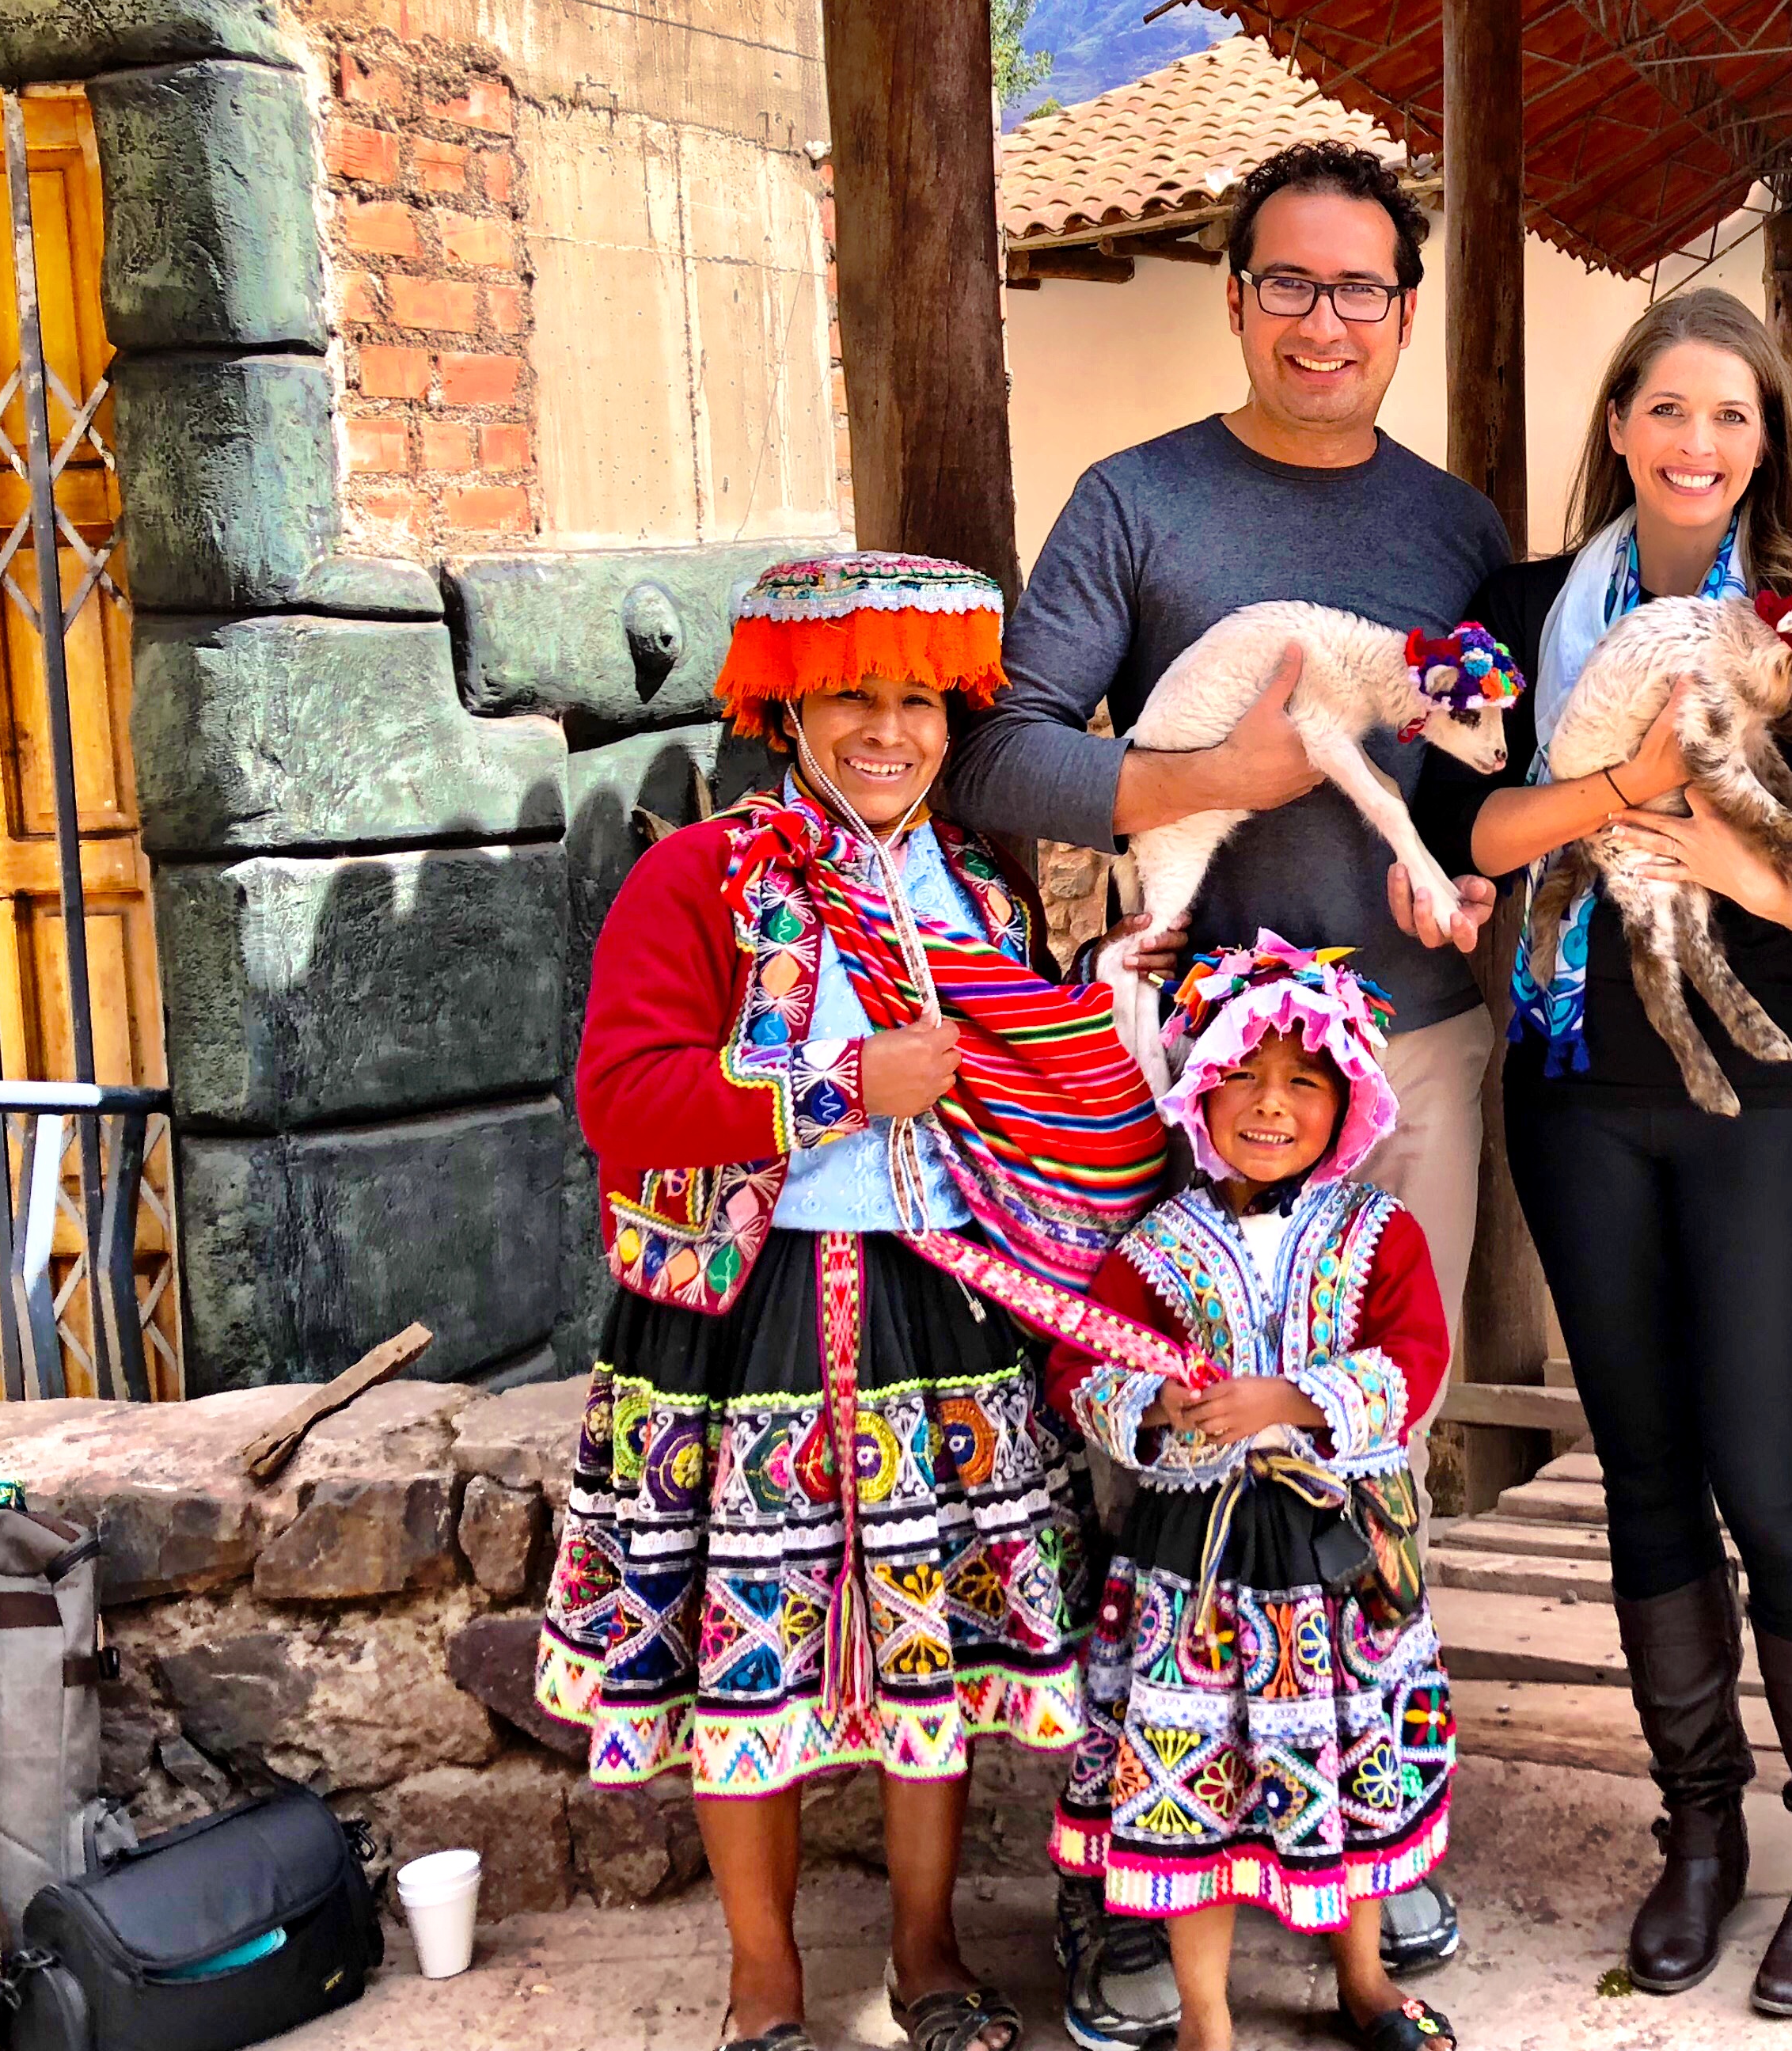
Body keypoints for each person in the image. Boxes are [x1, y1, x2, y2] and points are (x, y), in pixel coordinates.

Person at [944, 139, 1507, 2030]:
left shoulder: (1453, 525)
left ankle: (1380, 1840)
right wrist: (1206, 789)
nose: (1325, 320)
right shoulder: (1135, 502)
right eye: (1291, 283)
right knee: (1158, 1441)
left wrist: (1489, 851)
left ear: (1404, 316)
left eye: (1362, 291)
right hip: (1182, 1075)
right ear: (1238, 291)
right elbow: (1002, 760)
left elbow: (1467, 768)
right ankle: (1147, 1849)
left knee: (1373, 1445)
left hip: (1406, 1046)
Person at [539, 553, 1190, 2051]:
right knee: (743, 1646)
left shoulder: (970, 882)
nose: (885, 732)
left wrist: (1099, 997)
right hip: (738, 1317)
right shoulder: (700, 872)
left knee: (934, 1649)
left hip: (937, 1312)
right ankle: (764, 1978)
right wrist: (837, 1087)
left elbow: (1016, 1074)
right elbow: (623, 1097)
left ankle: (926, 1952)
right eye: (851, 697)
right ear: (790, 705)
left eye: (915, 698)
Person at [1413, 287, 1792, 2020]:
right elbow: (1467, 821)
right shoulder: (1521, 612)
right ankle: (1699, 1832)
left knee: (1769, 1474)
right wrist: (1620, 783)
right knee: (1640, 1468)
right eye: (1671, 411)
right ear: (1619, 423)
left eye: (1736, 419)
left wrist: (1656, 805)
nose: (1701, 445)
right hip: (1574, 1075)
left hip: (1762, 1088)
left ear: (1769, 446)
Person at [1050, 940, 1460, 2051]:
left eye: (1304, 1083)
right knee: (1195, 1777)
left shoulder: (1379, 1236)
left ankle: (1365, 1981)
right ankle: (1208, 2020)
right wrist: (1157, 1408)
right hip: (1198, 1572)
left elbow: (1417, 1359)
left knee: (1353, 1758)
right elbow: (1080, 1367)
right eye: (1244, 1076)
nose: (1270, 1106)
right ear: (1199, 1088)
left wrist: (1295, 1398)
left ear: (1350, 1105)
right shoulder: (1154, 1249)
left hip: (1340, 1561)